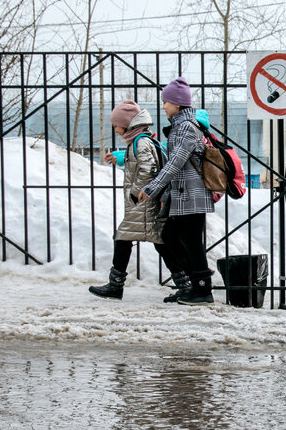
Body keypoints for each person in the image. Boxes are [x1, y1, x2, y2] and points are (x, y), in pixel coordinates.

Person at [138, 76, 215, 305]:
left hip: (192, 195)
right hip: (183, 195)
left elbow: (175, 163)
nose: (163, 106)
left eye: (166, 102)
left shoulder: (186, 128)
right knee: (172, 236)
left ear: (178, 104)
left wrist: (152, 188)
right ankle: (193, 285)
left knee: (189, 241)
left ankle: (202, 290)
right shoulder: (180, 127)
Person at [88, 101, 165, 299]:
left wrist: (136, 191)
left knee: (124, 238)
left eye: (116, 124)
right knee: (158, 242)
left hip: (142, 201)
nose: (114, 129)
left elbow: (148, 169)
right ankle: (184, 283)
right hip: (141, 201)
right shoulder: (139, 141)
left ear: (126, 123)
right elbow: (141, 160)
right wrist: (120, 158)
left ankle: (115, 286)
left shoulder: (140, 142)